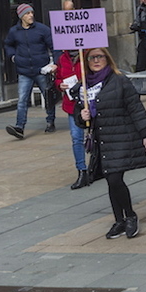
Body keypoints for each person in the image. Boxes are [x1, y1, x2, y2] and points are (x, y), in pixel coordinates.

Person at [74, 47, 146, 240]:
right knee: (110, 180)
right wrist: (82, 117)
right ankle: (119, 220)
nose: (96, 60)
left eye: (100, 56)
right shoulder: (84, 86)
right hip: (102, 140)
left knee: (115, 179)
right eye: (91, 58)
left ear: (107, 59)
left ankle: (130, 216)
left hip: (121, 137)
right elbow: (80, 117)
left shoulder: (119, 81)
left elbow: (136, 108)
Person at [4, 3, 57, 139]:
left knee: (48, 97)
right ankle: (19, 127)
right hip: (24, 70)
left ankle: (50, 121)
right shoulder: (14, 32)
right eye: (27, 14)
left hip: (41, 69)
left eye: (31, 13)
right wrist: (13, 57)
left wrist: (54, 64)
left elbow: (54, 46)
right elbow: (8, 44)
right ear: (21, 16)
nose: (31, 15)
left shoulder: (42, 29)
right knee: (22, 100)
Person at [55, 48, 88, 189]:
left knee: (99, 135)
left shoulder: (88, 55)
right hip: (72, 105)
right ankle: (82, 171)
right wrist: (59, 84)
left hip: (90, 101)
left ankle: (100, 166)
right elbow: (58, 78)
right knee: (76, 137)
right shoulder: (63, 58)